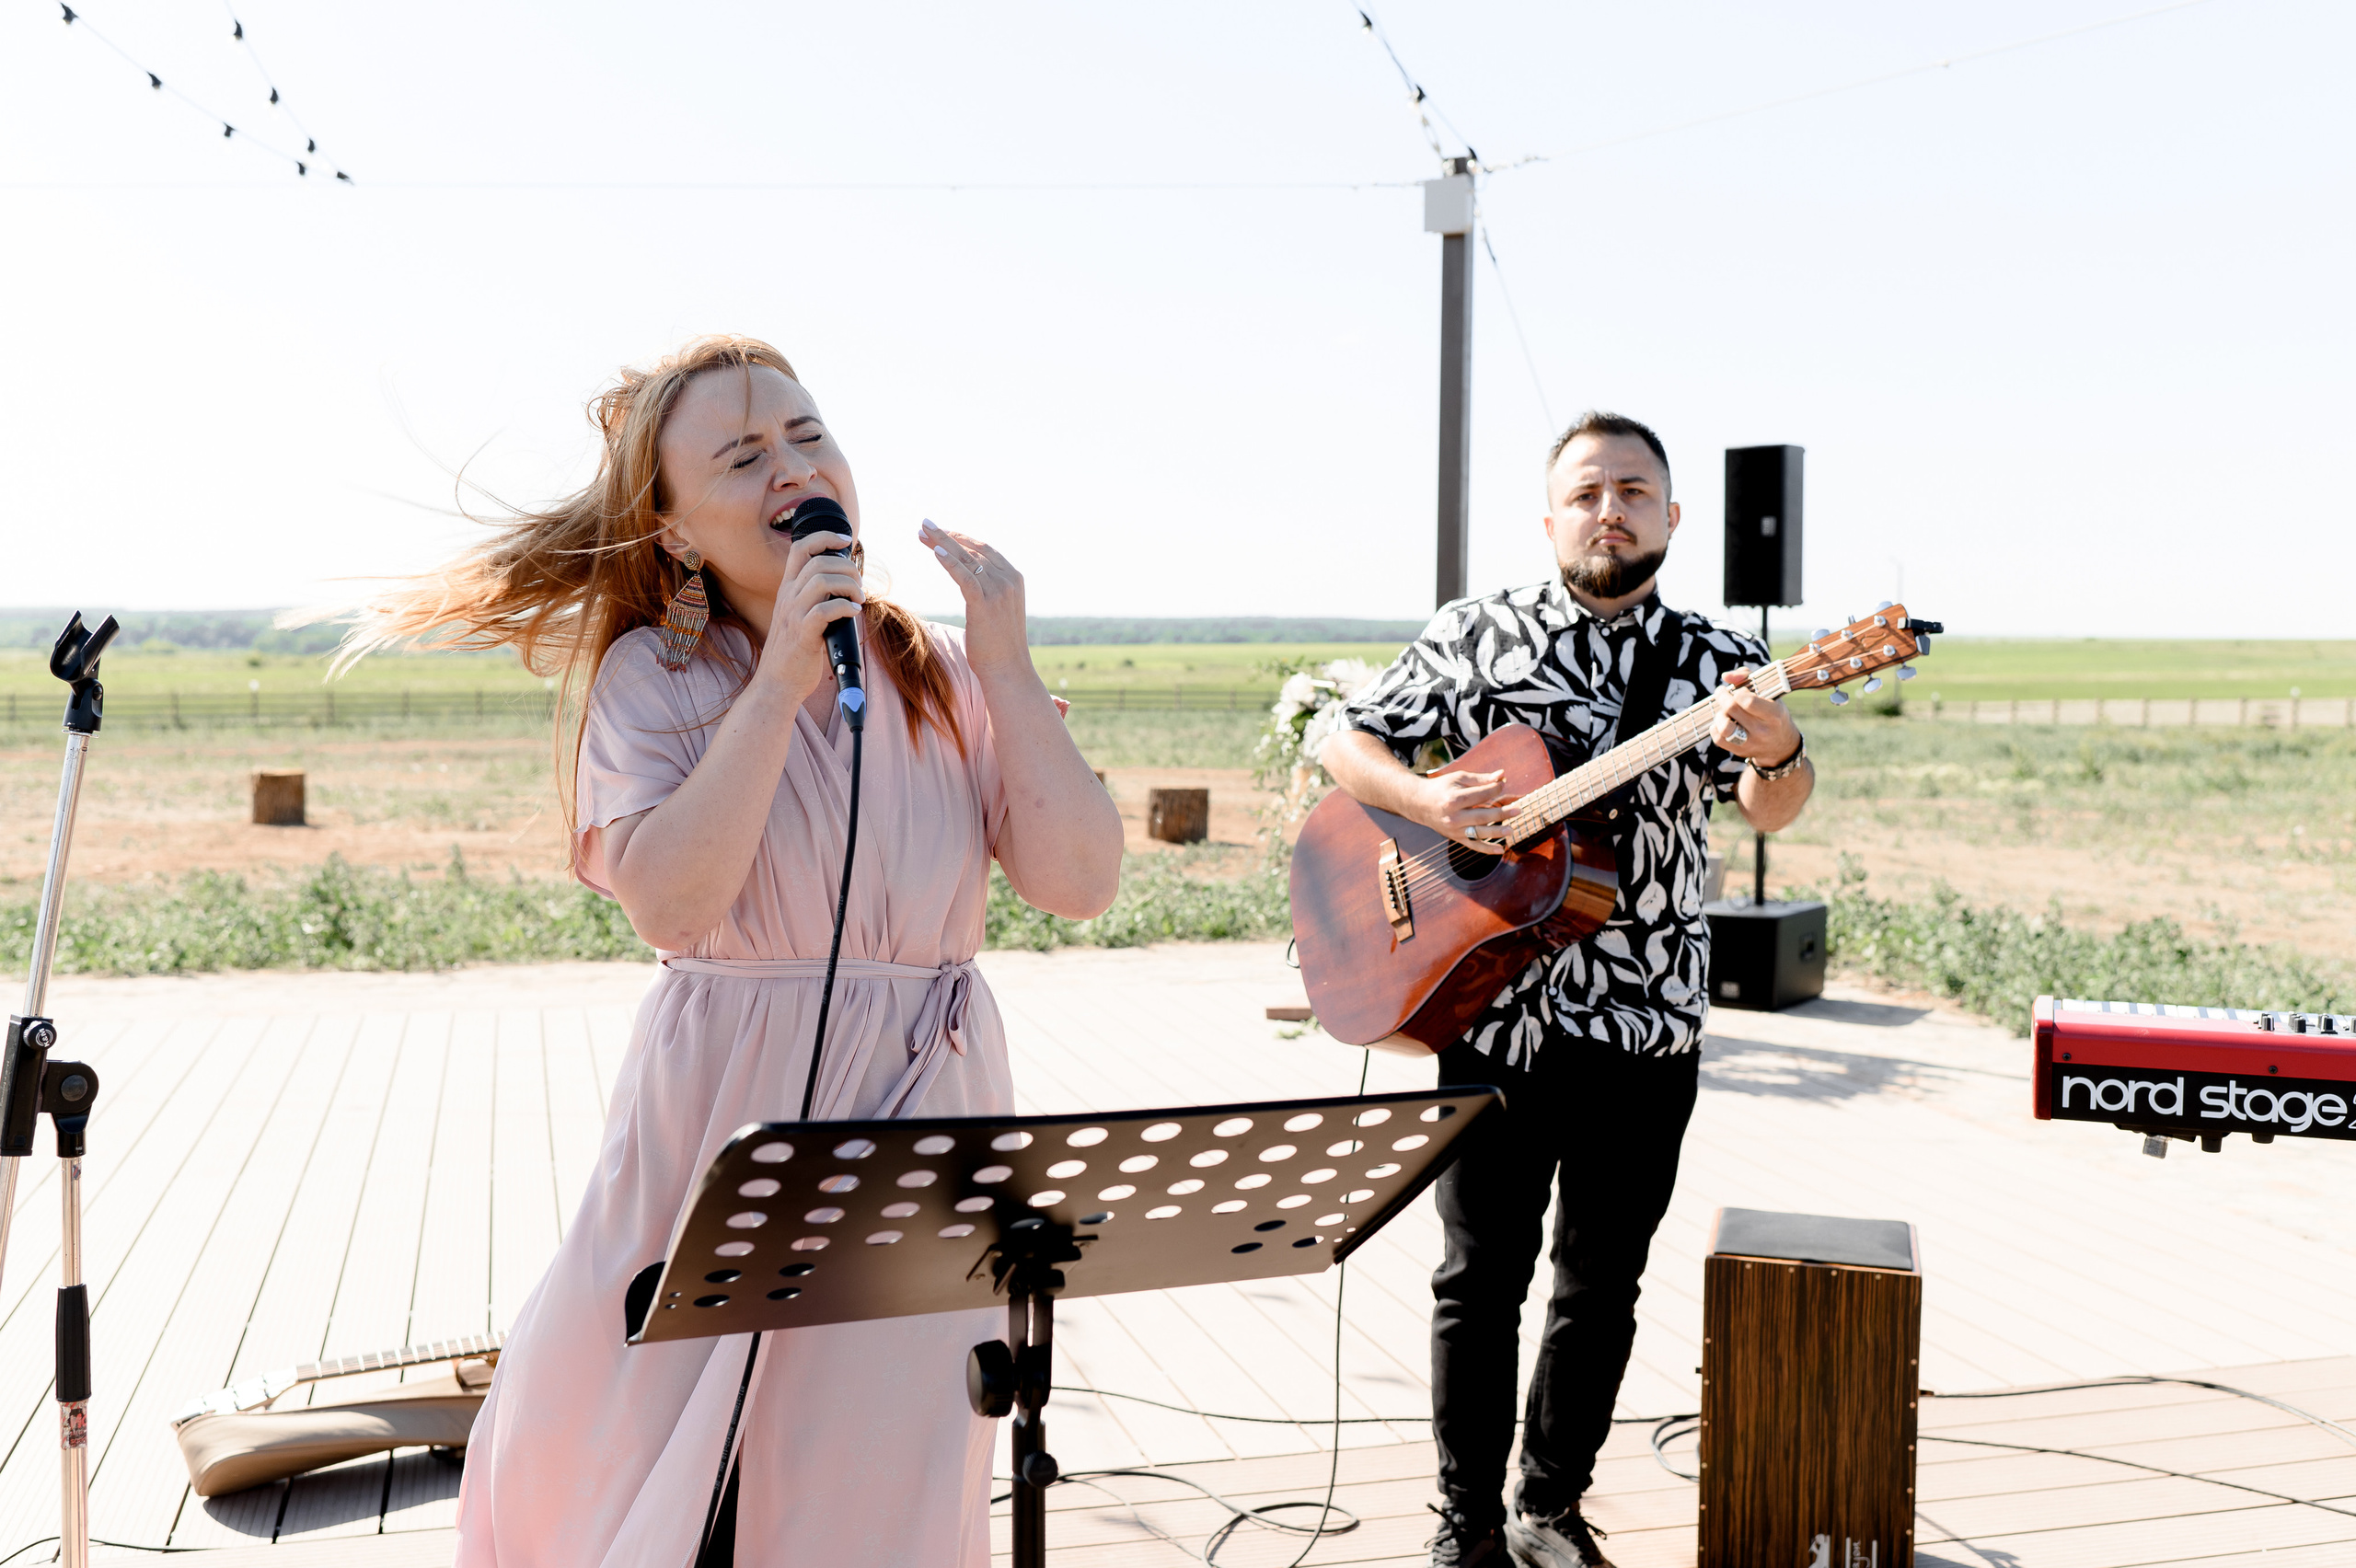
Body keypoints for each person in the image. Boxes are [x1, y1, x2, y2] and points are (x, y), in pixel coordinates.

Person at [339, 335, 1124, 1568]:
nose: (793, 469)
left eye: (808, 437)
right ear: (677, 531)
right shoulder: (652, 677)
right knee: (676, 1467)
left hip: (928, 1111)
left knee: (870, 1485)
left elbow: (1078, 883)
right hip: (724, 1118)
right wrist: (778, 683)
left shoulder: (936, 669)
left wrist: (1007, 668)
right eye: (746, 455)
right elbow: (672, 904)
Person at [1322, 412, 1815, 1568]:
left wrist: (1778, 750)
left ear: (1671, 517)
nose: (1610, 511)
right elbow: (1347, 743)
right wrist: (1428, 803)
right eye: (1587, 492)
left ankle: (1547, 1508)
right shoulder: (1474, 632)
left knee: (1602, 1283)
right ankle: (1465, 1521)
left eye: (1634, 492)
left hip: (1646, 1023)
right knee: (1476, 1280)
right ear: (1549, 518)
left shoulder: (1717, 663)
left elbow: (1770, 812)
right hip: (1490, 1011)